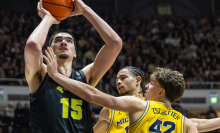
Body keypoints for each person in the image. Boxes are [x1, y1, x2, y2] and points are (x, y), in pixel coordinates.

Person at [43, 48, 197, 133]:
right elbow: (196, 123)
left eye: (151, 84)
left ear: (161, 92)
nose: (147, 86)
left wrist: (56, 76)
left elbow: (92, 94)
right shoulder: (185, 123)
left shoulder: (140, 105)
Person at [24, 0, 122, 132]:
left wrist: (85, 10)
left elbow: (115, 44)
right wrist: (48, 18)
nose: (63, 42)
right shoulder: (41, 73)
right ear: (49, 48)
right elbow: (32, 47)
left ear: (75, 53)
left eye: (69, 41)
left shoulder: (85, 76)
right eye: (57, 40)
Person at [93, 66, 220, 133]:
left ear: (138, 80)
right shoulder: (110, 110)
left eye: (123, 77)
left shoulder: (150, 104)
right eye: (116, 80)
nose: (118, 82)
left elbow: (189, 123)